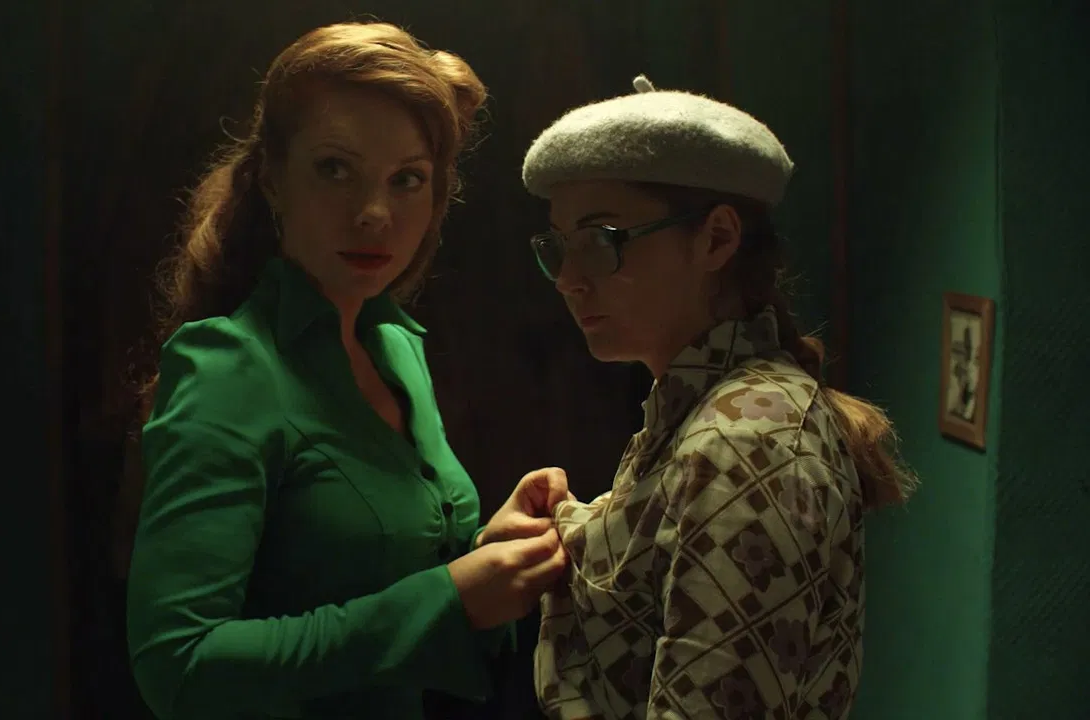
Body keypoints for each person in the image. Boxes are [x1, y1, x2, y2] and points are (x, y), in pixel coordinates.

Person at [126, 22, 571, 720]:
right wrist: (449, 598)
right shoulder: (229, 366)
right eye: (335, 169)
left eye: (407, 180)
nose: (373, 213)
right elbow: (178, 669)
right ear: (273, 179)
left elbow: (374, 576)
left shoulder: (395, 348)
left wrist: (490, 553)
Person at [520, 75, 918, 719]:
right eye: (558, 246)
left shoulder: (744, 440)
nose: (567, 279)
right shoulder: (702, 403)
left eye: (600, 240)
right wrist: (558, 528)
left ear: (716, 239)